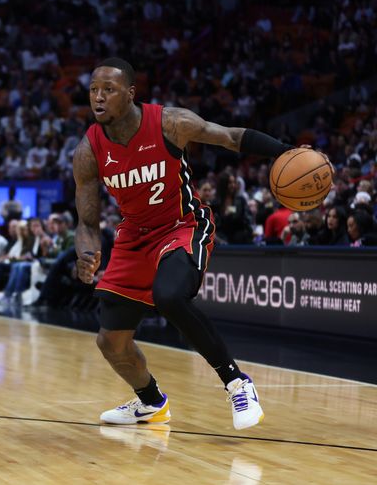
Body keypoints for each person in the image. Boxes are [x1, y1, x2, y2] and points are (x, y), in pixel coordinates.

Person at [73, 57, 310, 431]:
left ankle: (236, 382)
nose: (98, 98)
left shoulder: (170, 122)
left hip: (182, 225)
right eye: (93, 91)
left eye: (109, 90)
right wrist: (86, 252)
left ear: (131, 94)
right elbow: (86, 220)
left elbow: (230, 137)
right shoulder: (88, 150)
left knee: (169, 295)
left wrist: (284, 151)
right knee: (110, 342)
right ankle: (151, 403)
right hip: (134, 236)